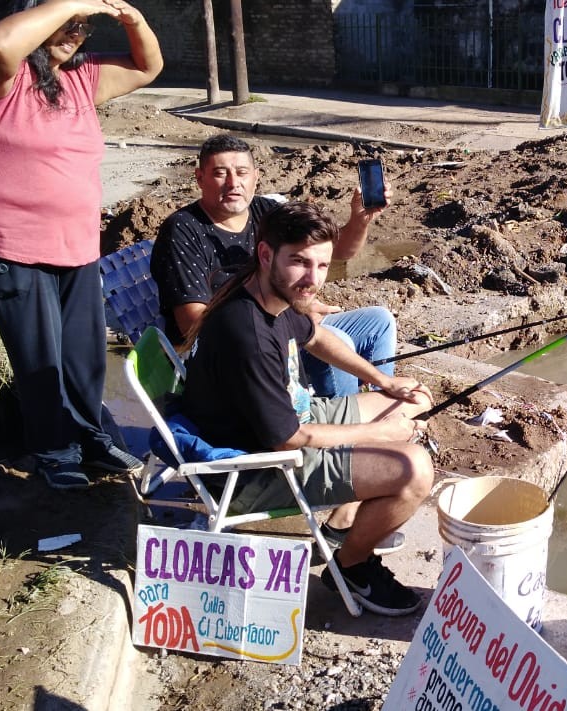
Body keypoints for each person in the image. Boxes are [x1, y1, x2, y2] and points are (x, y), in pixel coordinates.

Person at [177, 200, 433, 616]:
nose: (312, 279)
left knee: (411, 402)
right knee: (413, 469)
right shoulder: (248, 333)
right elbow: (290, 437)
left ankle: (348, 525)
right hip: (256, 469)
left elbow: (314, 335)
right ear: (266, 254)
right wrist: (377, 436)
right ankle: (351, 566)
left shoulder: (270, 295)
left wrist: (385, 381)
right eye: (299, 262)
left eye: (321, 265)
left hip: (289, 425)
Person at [0, 0, 163, 490]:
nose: (76, 33)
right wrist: (72, 1)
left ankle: (91, 438)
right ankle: (53, 451)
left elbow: (148, 65)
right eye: (67, 24)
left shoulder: (81, 79)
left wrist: (129, 16)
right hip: (7, 243)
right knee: (39, 355)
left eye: (84, 28)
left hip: (74, 243)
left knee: (85, 354)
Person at [151, 134, 397, 398]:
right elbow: (193, 322)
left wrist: (360, 220)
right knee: (340, 341)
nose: (234, 183)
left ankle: (383, 408)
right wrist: (292, 315)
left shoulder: (267, 211)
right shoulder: (183, 229)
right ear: (200, 178)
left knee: (379, 322)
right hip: (236, 345)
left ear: (256, 176)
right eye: (220, 174)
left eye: (242, 173)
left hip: (289, 321)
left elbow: (336, 252)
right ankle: (343, 430)